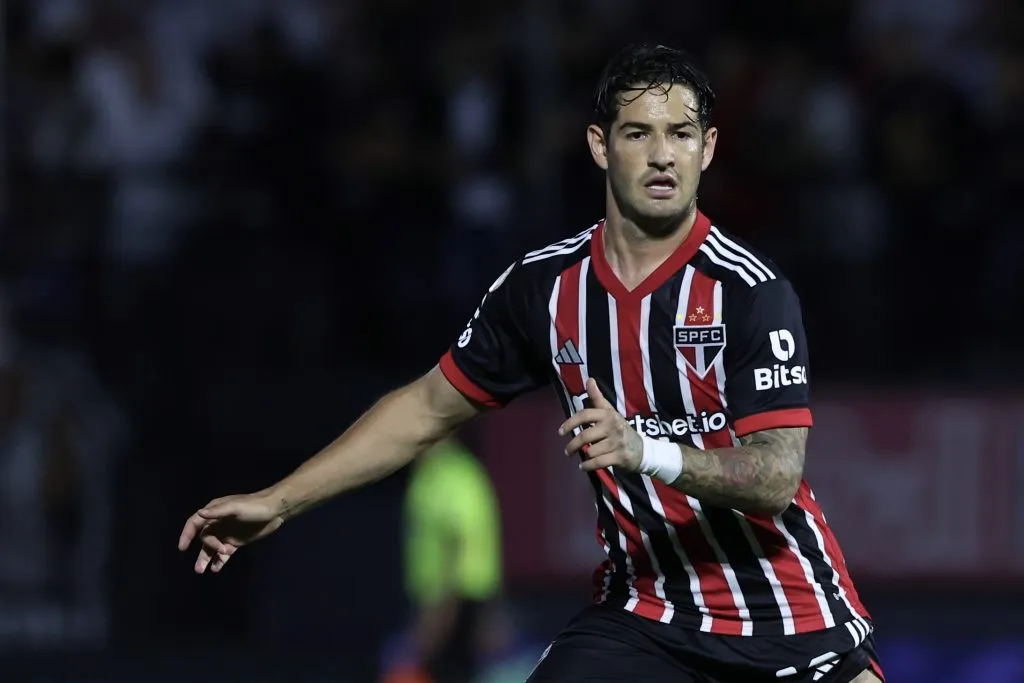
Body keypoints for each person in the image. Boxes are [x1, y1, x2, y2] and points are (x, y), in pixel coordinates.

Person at [178, 43, 885, 683]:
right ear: (600, 146)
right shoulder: (544, 288)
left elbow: (776, 475)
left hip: (791, 621)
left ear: (709, 148)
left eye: (682, 134)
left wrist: (649, 451)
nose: (663, 154)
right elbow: (426, 409)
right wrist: (278, 500)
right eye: (639, 133)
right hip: (644, 616)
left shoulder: (751, 290)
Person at [381, 436, 504, 683]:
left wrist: (441, 608)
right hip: (440, 597)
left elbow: (456, 538)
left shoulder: (453, 474)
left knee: (443, 670)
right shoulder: (429, 472)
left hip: (454, 599)